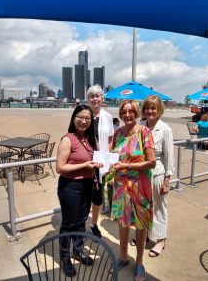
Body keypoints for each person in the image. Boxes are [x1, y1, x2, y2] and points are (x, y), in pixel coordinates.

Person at [111, 99, 156, 281]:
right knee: (122, 221)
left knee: (140, 223)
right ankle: (122, 256)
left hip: (140, 185)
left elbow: (151, 162)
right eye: (124, 112)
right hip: (121, 185)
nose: (127, 115)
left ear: (136, 113)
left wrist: (127, 165)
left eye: (131, 111)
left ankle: (139, 262)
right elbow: (113, 155)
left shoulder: (145, 132)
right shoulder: (118, 133)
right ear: (121, 114)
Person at [56, 105, 103, 277]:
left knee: (81, 220)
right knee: (68, 224)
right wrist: (84, 165)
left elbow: (96, 158)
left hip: (88, 185)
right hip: (70, 187)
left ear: (91, 121)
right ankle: (65, 257)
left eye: (87, 118)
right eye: (80, 117)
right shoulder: (68, 139)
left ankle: (78, 250)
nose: (84, 121)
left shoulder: (90, 139)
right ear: (74, 118)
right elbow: (60, 168)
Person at [140, 95, 174, 257]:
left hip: (157, 174)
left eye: (153, 108)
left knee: (159, 207)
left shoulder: (165, 129)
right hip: (140, 174)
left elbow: (169, 157)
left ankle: (160, 239)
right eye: (147, 108)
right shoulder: (140, 126)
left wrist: (167, 180)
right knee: (143, 206)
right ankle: (145, 234)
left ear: (159, 110)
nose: (150, 111)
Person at [87, 85, 114, 237]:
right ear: (88, 99)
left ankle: (93, 223)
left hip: (101, 163)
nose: (95, 99)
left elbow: (110, 139)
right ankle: (81, 221)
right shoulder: (83, 115)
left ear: (102, 98)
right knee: (84, 194)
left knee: (97, 197)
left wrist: (108, 160)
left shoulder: (108, 117)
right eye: (92, 96)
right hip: (85, 163)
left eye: (98, 96)